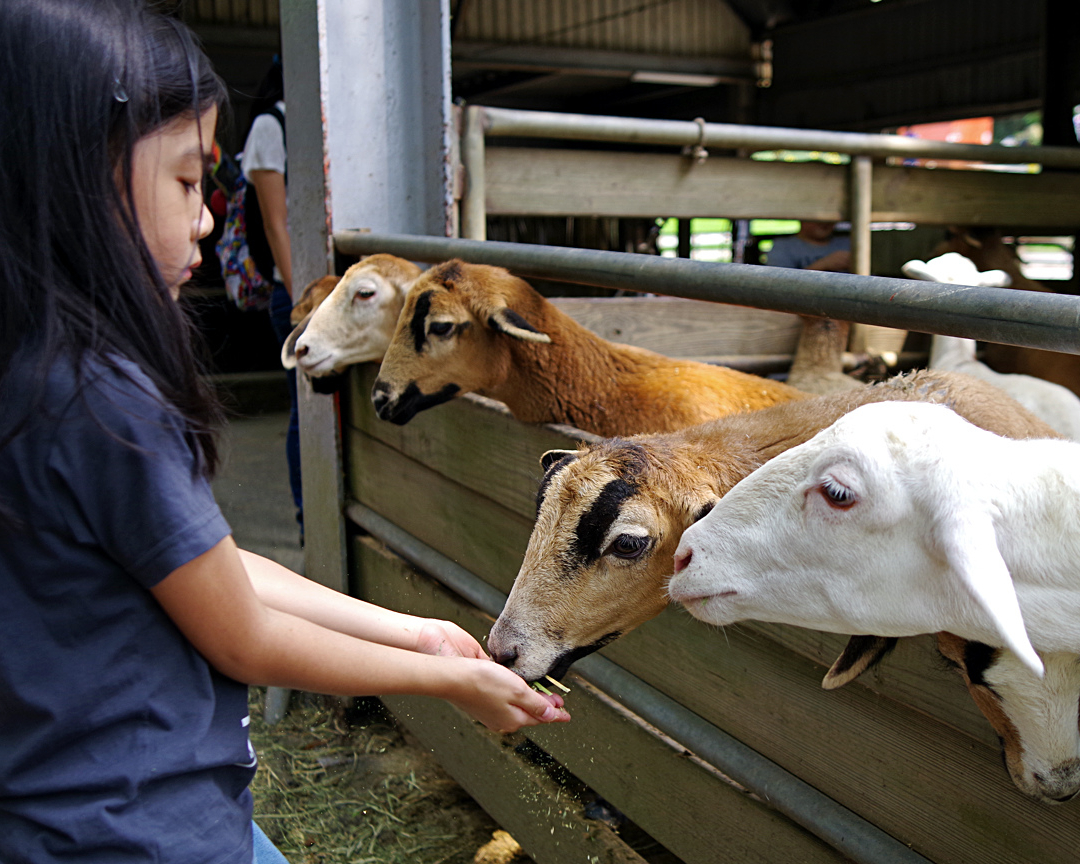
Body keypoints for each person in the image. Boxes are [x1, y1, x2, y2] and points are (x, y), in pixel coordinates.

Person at [0, 4, 569, 863]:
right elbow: (241, 632)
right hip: (144, 828)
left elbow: (213, 570)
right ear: (80, 175)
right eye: (189, 183)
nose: (203, 219)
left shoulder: (33, 365)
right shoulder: (101, 399)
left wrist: (412, 632)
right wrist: (449, 677)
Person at [240, 58, 303, 540]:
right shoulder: (272, 124)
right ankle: (310, 520)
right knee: (306, 408)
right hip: (296, 296)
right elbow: (274, 220)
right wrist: (301, 295)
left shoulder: (319, 126)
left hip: (325, 296)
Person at [765, 220, 851, 273]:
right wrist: (822, 265)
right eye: (817, 219)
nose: (824, 222)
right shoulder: (783, 246)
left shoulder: (848, 242)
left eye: (829, 217)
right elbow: (778, 284)